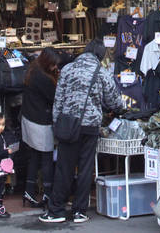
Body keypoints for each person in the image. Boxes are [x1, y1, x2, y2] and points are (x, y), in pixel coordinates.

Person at [39, 38, 125, 224]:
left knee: (64, 168)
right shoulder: (101, 72)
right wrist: (120, 109)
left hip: (68, 125)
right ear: (100, 56)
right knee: (86, 168)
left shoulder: (68, 69)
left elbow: (58, 100)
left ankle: (57, 211)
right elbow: (114, 101)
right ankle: (79, 211)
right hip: (90, 126)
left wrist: (57, 125)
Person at [21, 47, 60, 207]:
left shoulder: (32, 70)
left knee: (35, 156)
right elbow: (54, 98)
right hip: (41, 122)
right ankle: (47, 194)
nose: (55, 68)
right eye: (53, 65)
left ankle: (29, 192)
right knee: (46, 158)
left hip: (29, 118)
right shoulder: (44, 79)